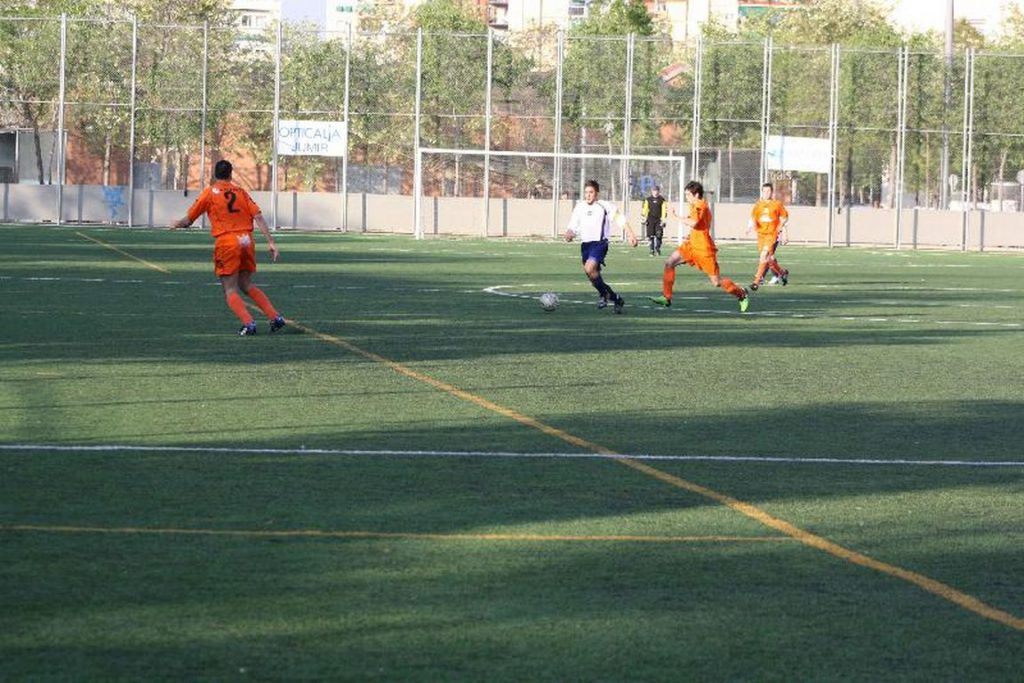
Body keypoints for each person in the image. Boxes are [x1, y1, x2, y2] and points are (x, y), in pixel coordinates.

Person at [172, 159, 286, 336]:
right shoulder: (241, 192)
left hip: (228, 242)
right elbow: (259, 216)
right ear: (231, 174)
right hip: (247, 240)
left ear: (214, 175)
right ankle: (275, 317)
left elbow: (188, 221)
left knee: (230, 289)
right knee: (246, 284)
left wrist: (176, 224)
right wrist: (271, 242)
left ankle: (249, 323)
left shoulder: (209, 193)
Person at [649, 180, 749, 312]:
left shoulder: (700, 205)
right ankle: (666, 297)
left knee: (716, 282)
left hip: (703, 249)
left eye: (688, 195)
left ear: (696, 194)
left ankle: (741, 294)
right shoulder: (695, 205)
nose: (686, 198)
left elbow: (693, 223)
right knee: (669, 263)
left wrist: (675, 216)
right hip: (691, 245)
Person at [564, 179, 639, 314]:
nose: (588, 195)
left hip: (599, 244)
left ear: (597, 193)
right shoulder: (580, 207)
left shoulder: (605, 206)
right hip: (585, 245)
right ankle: (616, 299)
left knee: (589, 268)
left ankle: (603, 295)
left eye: (591, 192)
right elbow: (572, 225)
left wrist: (631, 235)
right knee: (593, 277)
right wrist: (569, 233)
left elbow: (620, 220)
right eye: (586, 192)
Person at [747, 182, 790, 290]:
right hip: (761, 235)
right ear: (762, 192)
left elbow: (784, 218)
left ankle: (756, 281)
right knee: (770, 259)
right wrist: (749, 227)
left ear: (772, 192)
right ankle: (782, 273)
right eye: (764, 191)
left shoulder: (777, 204)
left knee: (763, 256)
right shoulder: (758, 205)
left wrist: (784, 232)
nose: (766, 193)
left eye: (768, 191)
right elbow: (753, 218)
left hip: (772, 234)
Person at [640, 184, 668, 256]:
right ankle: (651, 250)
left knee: (659, 235)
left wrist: (663, 219)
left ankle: (657, 248)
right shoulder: (648, 200)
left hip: (659, 220)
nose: (655, 192)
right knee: (651, 236)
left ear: (659, 191)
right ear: (652, 191)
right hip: (650, 219)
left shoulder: (662, 200)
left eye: (656, 190)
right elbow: (645, 209)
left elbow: (664, 210)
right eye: (654, 190)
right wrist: (643, 217)